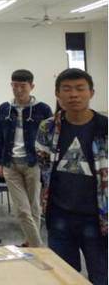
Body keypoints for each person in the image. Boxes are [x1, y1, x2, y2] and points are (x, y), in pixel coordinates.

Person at [36, 68, 107, 285]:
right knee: (63, 277)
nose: (73, 94)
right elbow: (44, 166)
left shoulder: (105, 128)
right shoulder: (48, 127)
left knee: (102, 276)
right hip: (59, 216)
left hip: (98, 218)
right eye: (66, 89)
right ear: (57, 94)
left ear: (91, 92)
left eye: (80, 88)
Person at [0, 69, 52, 247]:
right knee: (22, 209)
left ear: (31, 86)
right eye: (15, 86)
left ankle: (30, 242)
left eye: (22, 86)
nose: (18, 90)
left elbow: (50, 138)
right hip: (10, 164)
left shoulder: (43, 109)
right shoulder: (4, 108)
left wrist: (47, 163)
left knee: (34, 207)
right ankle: (38, 247)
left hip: (33, 163)